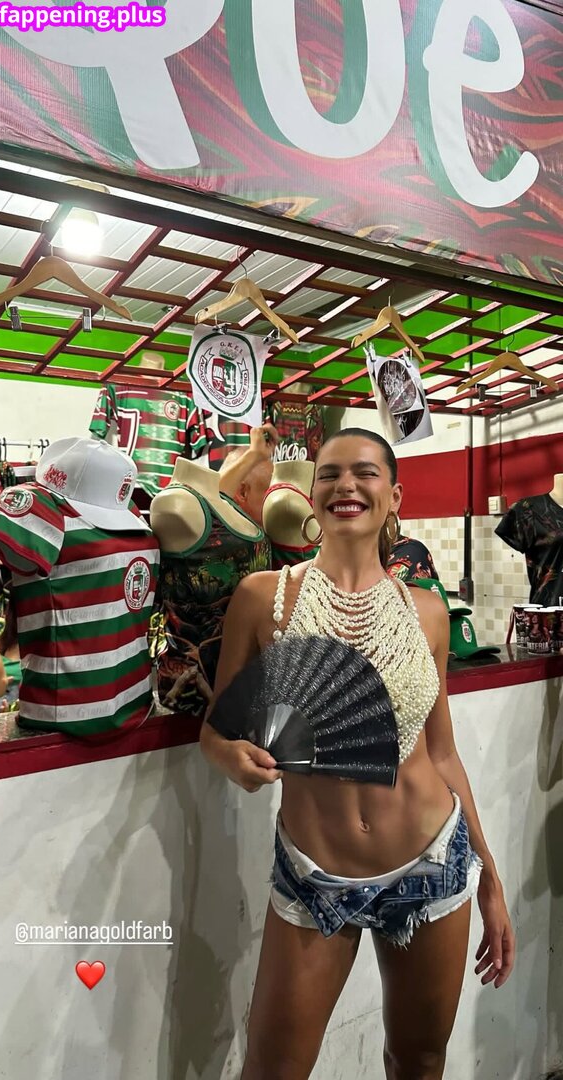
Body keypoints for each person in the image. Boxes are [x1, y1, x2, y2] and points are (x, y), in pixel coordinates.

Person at [200, 427, 514, 1080]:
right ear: (311, 494)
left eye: (365, 473)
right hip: (314, 874)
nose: (346, 484)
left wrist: (488, 875)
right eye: (330, 473)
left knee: (418, 1061)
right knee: (272, 1069)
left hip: (432, 864)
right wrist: (234, 760)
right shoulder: (264, 598)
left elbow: (442, 754)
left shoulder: (427, 613)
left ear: (394, 496)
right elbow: (214, 733)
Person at [218, 422, 279, 525]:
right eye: (270, 492)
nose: (276, 499)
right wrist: (253, 454)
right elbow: (211, 498)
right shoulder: (208, 530)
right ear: (242, 492)